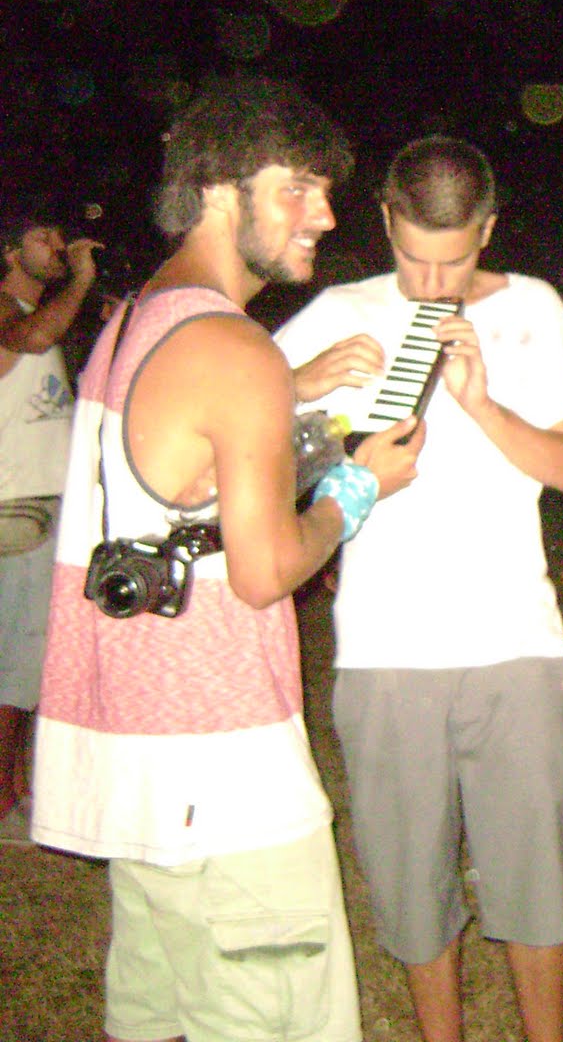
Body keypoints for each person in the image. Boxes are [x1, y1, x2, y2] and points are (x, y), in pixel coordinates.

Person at [29, 76, 422, 1041]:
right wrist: (356, 489)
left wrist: (293, 390)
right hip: (223, 766)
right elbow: (264, 569)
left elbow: (178, 472)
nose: (325, 215)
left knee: (157, 1017)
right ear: (217, 191)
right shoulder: (234, 349)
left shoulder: (134, 321)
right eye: (297, 188)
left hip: (132, 758)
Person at [274, 136, 563, 1042]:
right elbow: (241, 449)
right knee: (411, 886)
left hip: (514, 641)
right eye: (413, 258)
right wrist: (298, 388)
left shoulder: (533, 308)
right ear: (385, 221)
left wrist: (482, 403)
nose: (430, 282)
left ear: (487, 229)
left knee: (537, 880)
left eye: (452, 262)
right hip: (384, 649)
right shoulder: (339, 313)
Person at [0, 210, 99, 841]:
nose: (60, 246)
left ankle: (16, 790)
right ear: (10, 252)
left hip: (40, 510)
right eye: (45, 239)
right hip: (17, 512)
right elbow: (34, 338)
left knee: (24, 665)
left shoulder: (39, 315)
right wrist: (82, 280)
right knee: (14, 668)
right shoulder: (13, 312)